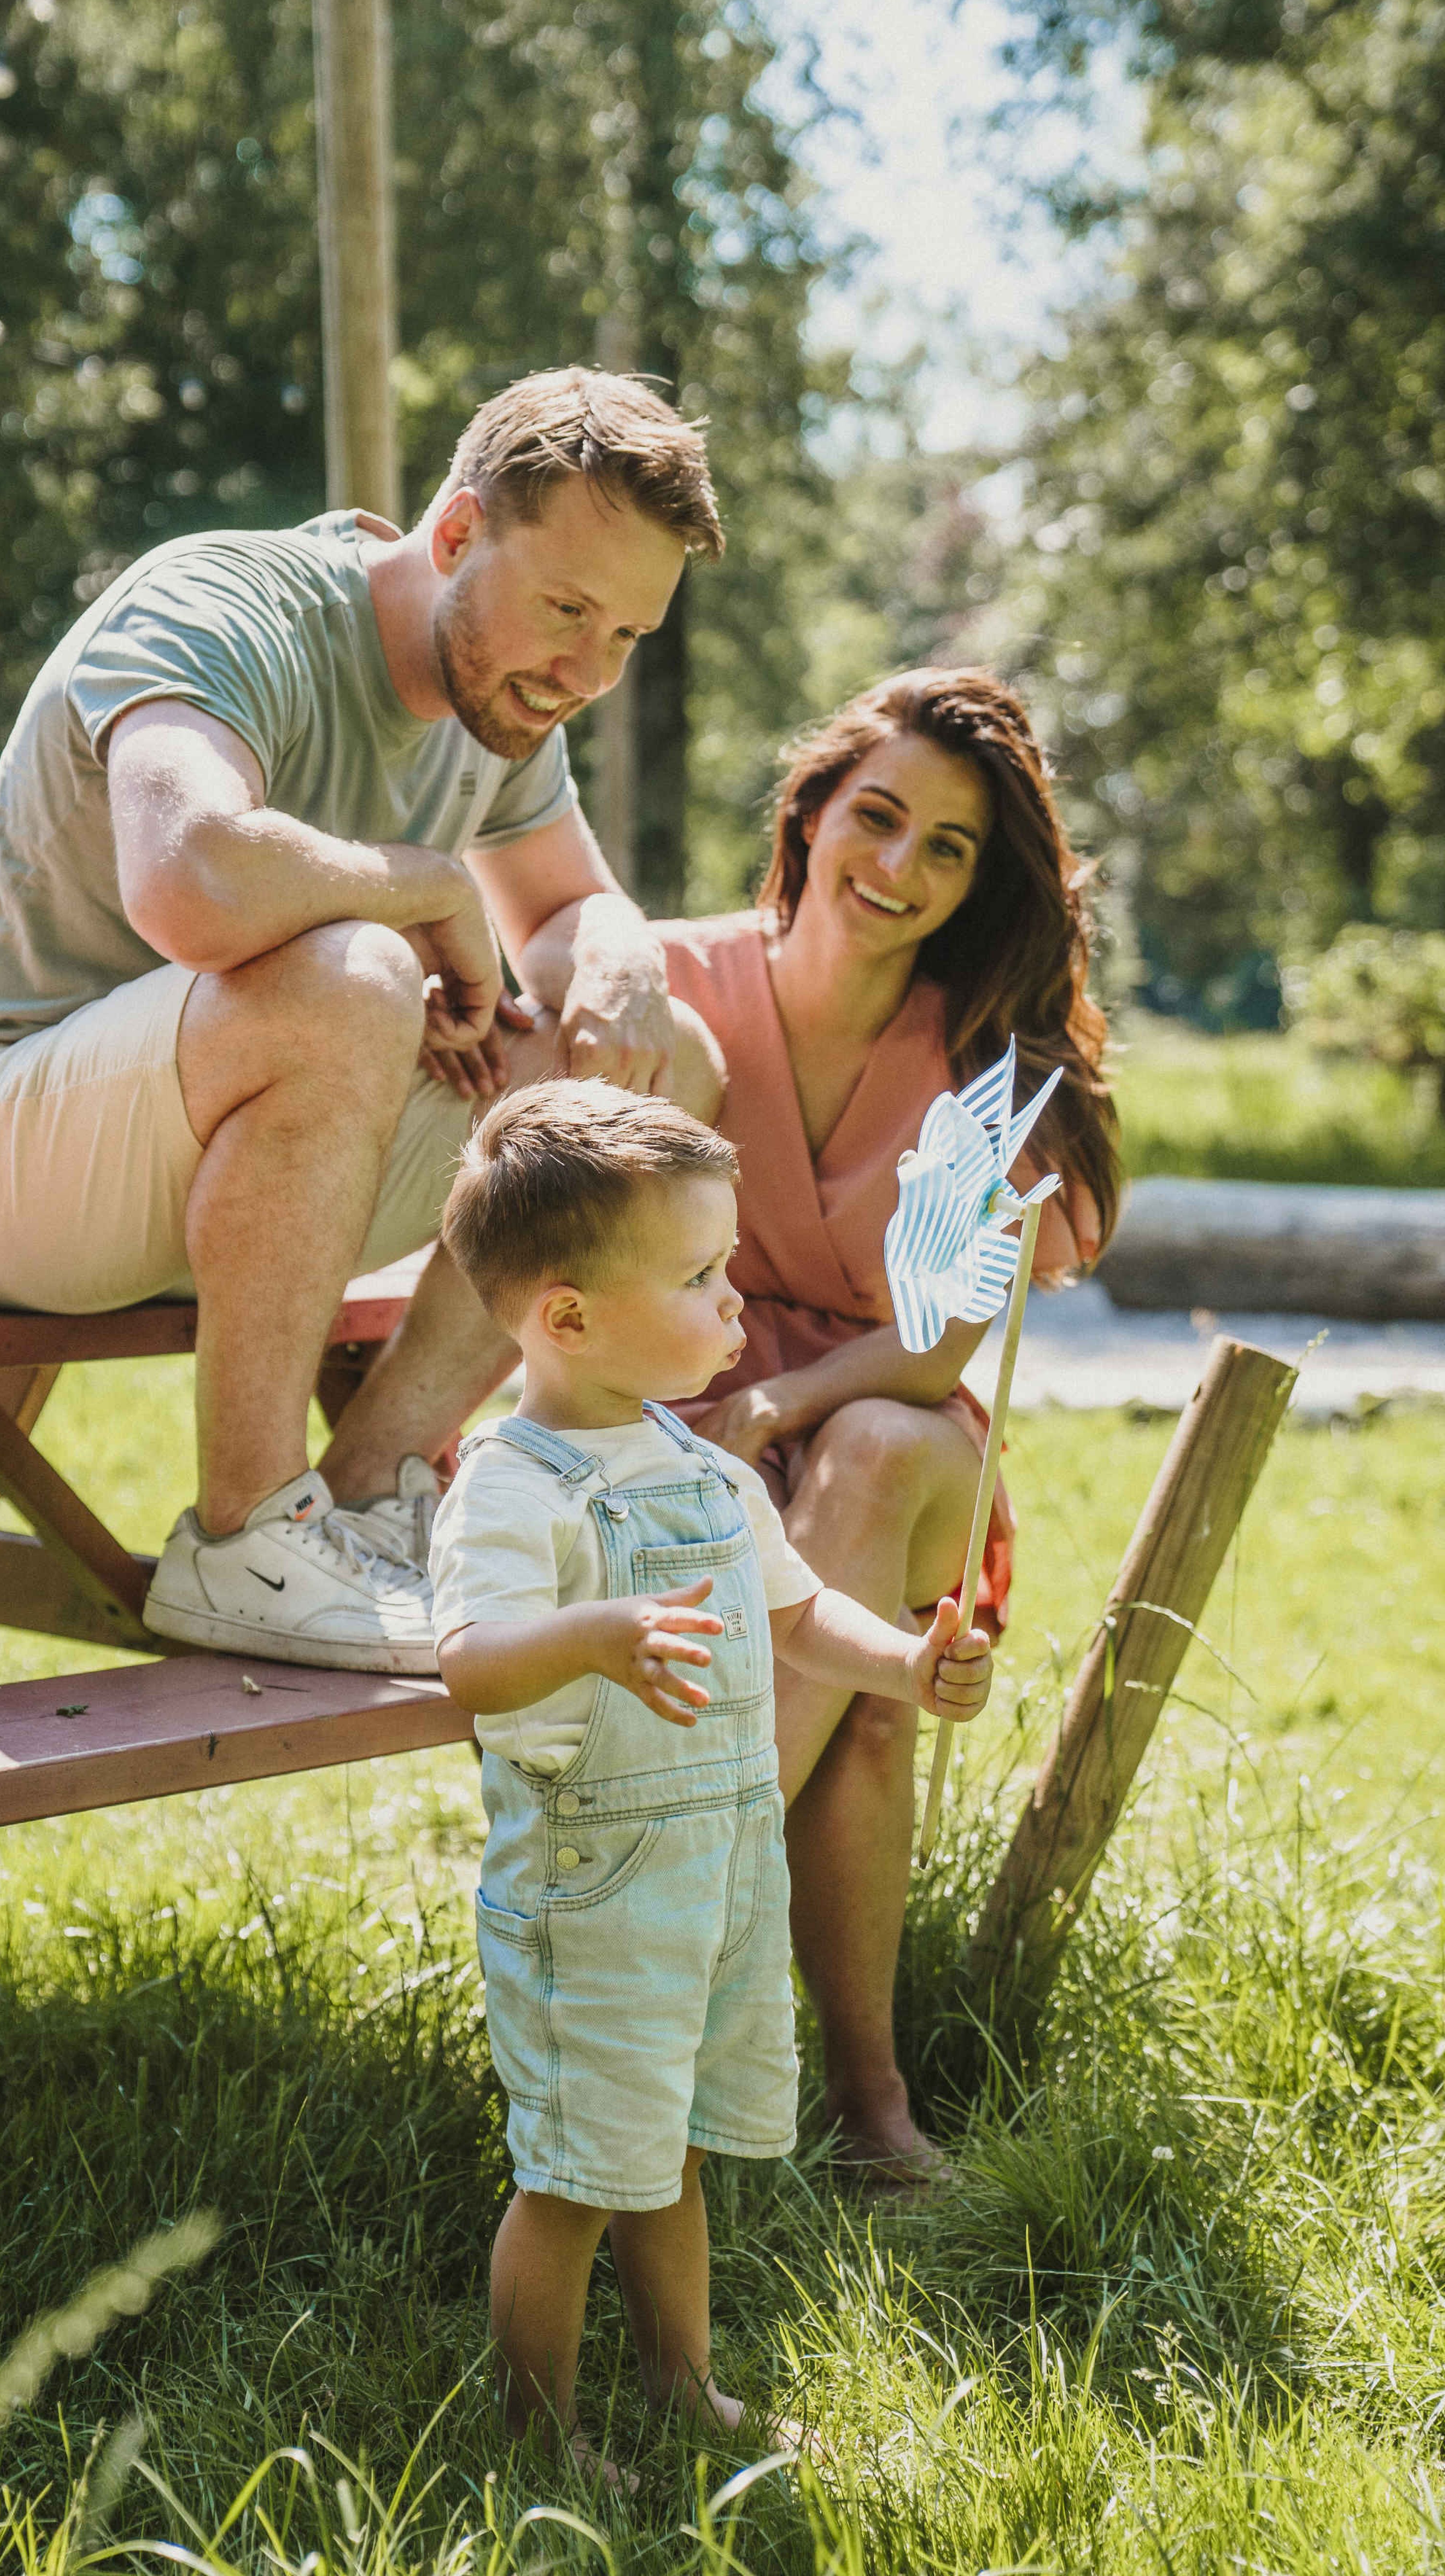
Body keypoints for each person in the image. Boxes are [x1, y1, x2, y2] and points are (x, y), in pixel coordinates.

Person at [0, 368, 727, 1674]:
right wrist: (429, 884)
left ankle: (368, 1494)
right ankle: (245, 1539)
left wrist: (619, 957)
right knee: (356, 979)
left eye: (626, 639)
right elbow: (189, 877)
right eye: (568, 612)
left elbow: (567, 910)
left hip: (209, 1147)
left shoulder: (510, 692)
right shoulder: (224, 603)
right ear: (457, 535)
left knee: (658, 1077)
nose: (586, 671)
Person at [430, 1082, 992, 2468]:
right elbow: (472, 1659)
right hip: (595, 1891)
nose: (736, 1303)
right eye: (698, 1276)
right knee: (574, 2176)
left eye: (727, 1265)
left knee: (666, 2151)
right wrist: (599, 1637)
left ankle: (684, 2384)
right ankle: (538, 2432)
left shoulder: (704, 1464)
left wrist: (909, 1666)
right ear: (566, 1316)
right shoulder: (513, 1483)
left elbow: (800, 1614)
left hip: (720, 1866)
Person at [653, 668, 1121, 2184]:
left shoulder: (987, 1063)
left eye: (951, 849)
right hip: (681, 1444)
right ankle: (867, 2110)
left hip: (882, 1436)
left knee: (868, 1461)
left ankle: (666, 1919)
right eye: (879, 819)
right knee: (864, 1711)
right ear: (809, 815)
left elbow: (931, 1359)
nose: (900, 870)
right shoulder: (668, 989)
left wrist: (786, 1394)